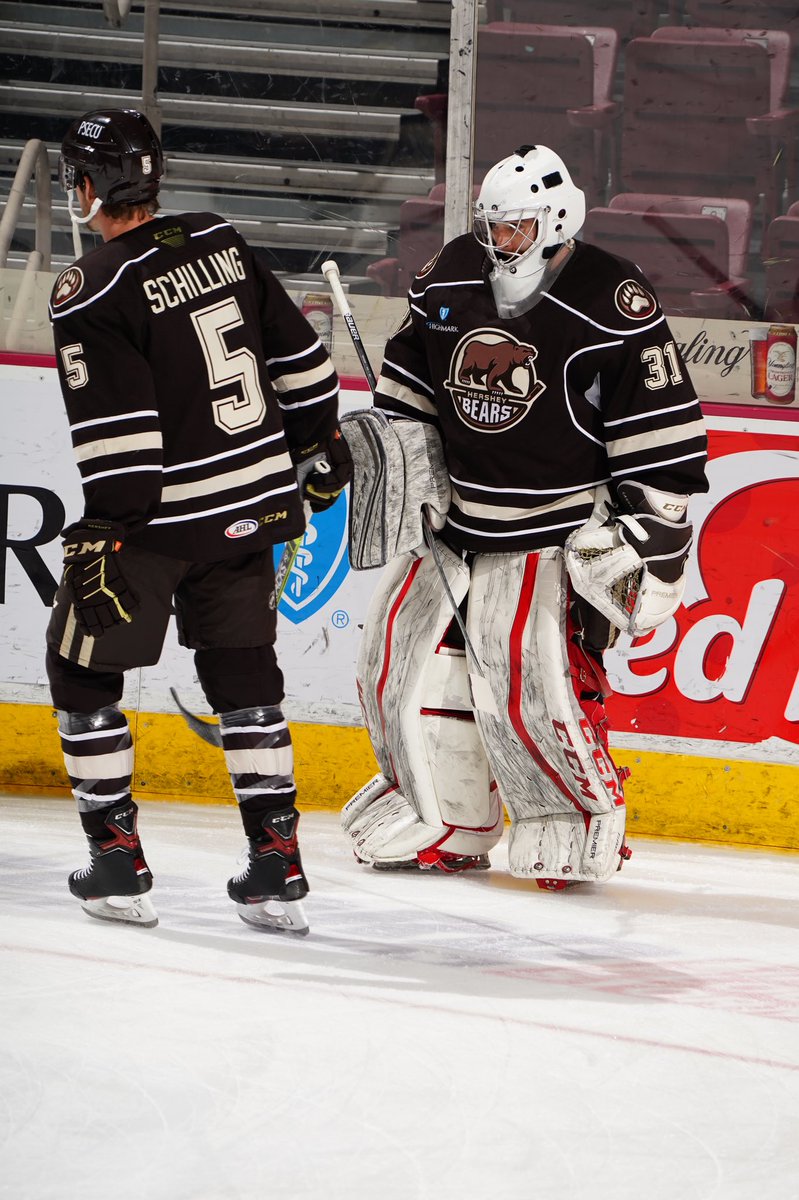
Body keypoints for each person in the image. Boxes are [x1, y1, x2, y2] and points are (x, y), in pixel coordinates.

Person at [341, 144, 708, 889]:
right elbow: (411, 377)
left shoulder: (609, 296)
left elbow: (660, 431)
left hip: (549, 531)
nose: (500, 241)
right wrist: (399, 450)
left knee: (526, 683)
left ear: (557, 215)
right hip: (454, 525)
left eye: (515, 226)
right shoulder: (449, 273)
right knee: (392, 667)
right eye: (494, 225)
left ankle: (568, 818)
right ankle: (445, 815)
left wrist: (653, 537)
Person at [46, 108, 352, 934]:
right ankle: (276, 865)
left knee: (79, 670)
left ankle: (116, 860)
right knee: (246, 678)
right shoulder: (219, 238)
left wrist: (104, 535)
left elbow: (125, 452)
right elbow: (306, 369)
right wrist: (316, 446)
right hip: (251, 510)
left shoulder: (91, 286)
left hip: (158, 522)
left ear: (89, 184)